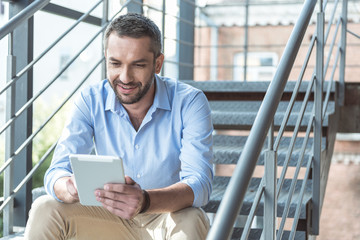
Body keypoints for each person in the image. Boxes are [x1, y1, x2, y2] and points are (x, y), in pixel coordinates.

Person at [24, 13, 213, 240]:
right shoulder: (89, 100)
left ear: (158, 63)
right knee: (45, 207)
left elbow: (200, 185)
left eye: (138, 65)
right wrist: (68, 187)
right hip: (108, 217)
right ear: (106, 58)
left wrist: (145, 200)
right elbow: (56, 173)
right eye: (115, 63)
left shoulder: (190, 102)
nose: (124, 77)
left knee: (193, 218)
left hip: (166, 216)